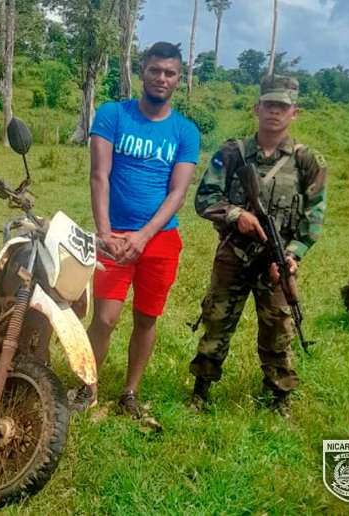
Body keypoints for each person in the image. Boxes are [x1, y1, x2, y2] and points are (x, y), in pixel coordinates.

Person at [70, 42, 200, 417]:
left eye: (170, 73)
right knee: (105, 318)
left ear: (179, 79)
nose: (162, 78)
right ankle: (87, 388)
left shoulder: (185, 131)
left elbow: (177, 193)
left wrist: (143, 237)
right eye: (155, 70)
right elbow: (99, 175)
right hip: (113, 237)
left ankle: (130, 392)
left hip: (160, 240)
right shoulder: (113, 115)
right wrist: (105, 233)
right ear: (142, 72)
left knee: (146, 318)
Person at [187, 75, 328, 418]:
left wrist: (293, 255)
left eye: (282, 106)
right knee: (216, 321)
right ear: (257, 108)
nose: (274, 111)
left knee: (279, 327)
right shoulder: (231, 153)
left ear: (294, 112)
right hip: (234, 254)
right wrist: (238, 215)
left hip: (276, 263)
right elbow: (204, 198)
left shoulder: (307, 161)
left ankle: (279, 394)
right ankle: (201, 389)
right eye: (269, 105)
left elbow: (314, 216)